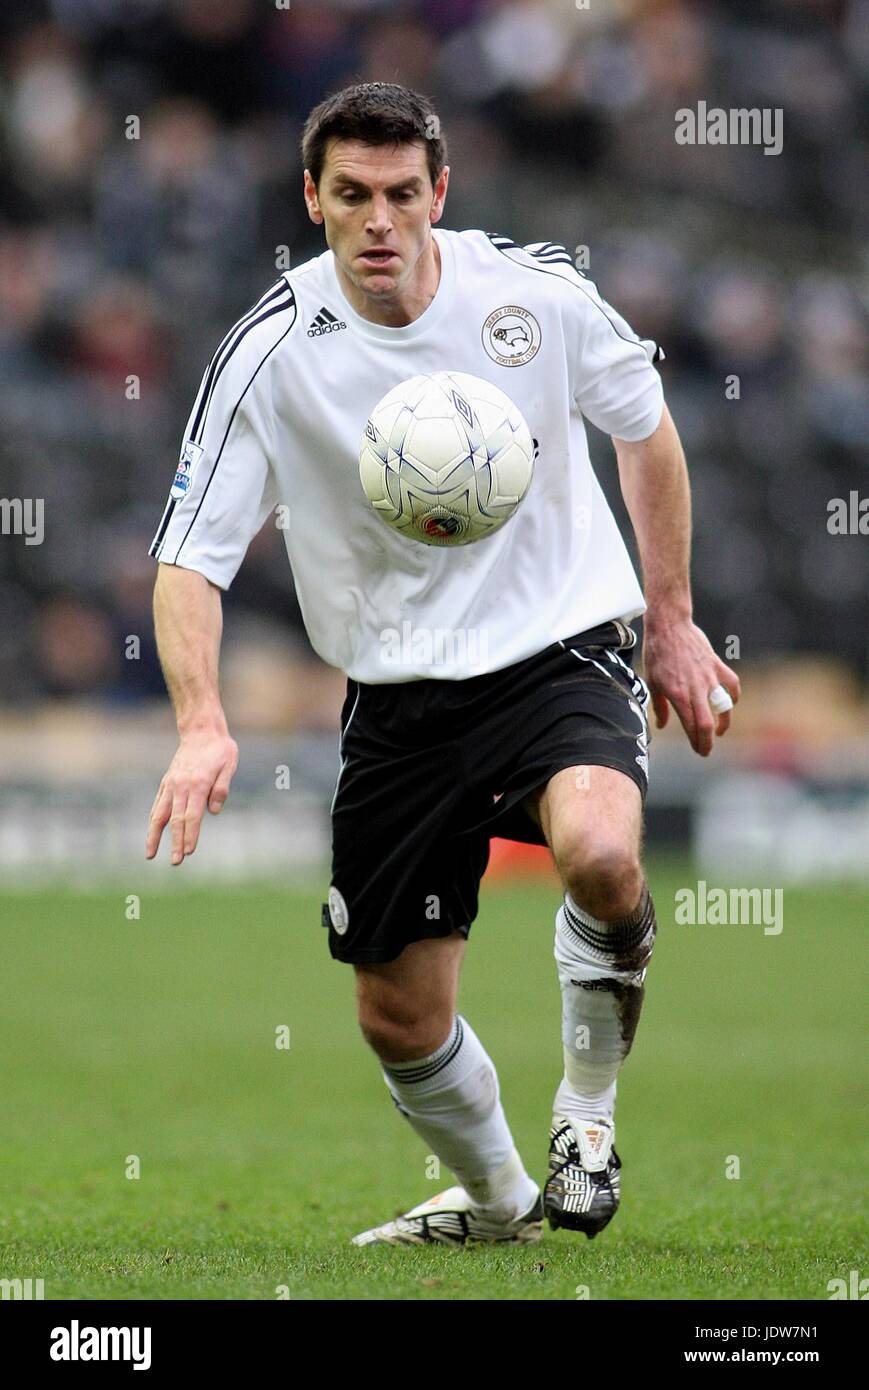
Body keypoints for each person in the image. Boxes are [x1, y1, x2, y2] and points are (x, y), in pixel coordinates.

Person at [146, 82, 740, 1247]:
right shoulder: (269, 351)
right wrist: (201, 720)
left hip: (555, 650)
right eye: (352, 195)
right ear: (310, 198)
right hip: (399, 698)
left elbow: (645, 428)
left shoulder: (534, 295)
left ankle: (586, 1115)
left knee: (603, 855)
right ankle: (503, 1201)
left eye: (403, 194)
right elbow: (187, 557)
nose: (379, 221)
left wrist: (668, 617)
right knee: (395, 1017)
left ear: (441, 193)